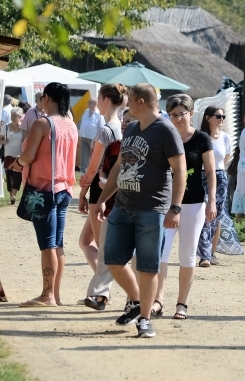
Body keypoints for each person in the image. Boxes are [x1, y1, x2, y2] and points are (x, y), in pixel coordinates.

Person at [93, 84, 186, 339]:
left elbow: (180, 171)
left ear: (141, 102)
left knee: (147, 268)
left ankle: (145, 320)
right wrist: (103, 199)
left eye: (129, 101)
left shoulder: (166, 130)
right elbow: (118, 168)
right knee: (112, 259)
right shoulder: (132, 128)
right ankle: (136, 300)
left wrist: (175, 209)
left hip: (152, 210)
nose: (126, 106)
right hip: (123, 206)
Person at [10, 83, 78, 307]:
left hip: (44, 188)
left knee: (47, 243)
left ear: (47, 98)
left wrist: (18, 164)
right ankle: (55, 295)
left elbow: (28, 156)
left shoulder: (43, 123)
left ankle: (47, 295)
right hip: (64, 188)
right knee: (57, 243)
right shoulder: (70, 124)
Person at [153, 94, 216, 320]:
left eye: (182, 113)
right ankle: (158, 300)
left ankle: (181, 303)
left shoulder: (201, 138)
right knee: (161, 253)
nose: (178, 118)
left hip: (194, 203)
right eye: (173, 114)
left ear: (191, 114)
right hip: (165, 203)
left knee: (187, 255)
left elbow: (210, 172)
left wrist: (212, 201)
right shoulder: (164, 136)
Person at [77, 84, 127, 280]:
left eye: (99, 97)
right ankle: (99, 288)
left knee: (100, 245)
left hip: (99, 190)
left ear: (106, 100)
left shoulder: (106, 130)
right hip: (113, 187)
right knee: (86, 241)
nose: (97, 101)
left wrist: (82, 193)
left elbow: (93, 168)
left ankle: (102, 291)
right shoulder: (122, 127)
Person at [197, 106, 232, 267]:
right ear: (208, 118)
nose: (221, 119)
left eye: (223, 116)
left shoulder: (225, 137)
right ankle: (204, 254)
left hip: (220, 177)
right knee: (204, 216)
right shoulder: (200, 137)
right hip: (202, 176)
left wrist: (219, 175)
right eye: (218, 116)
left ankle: (211, 252)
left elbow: (224, 161)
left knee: (216, 216)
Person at [0, 107, 24, 205]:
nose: (12, 117)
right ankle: (11, 196)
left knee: (17, 175)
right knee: (9, 176)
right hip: (8, 154)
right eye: (12, 115)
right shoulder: (5, 127)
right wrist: (3, 141)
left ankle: (14, 194)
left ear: (20, 117)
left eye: (15, 116)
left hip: (19, 155)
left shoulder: (23, 128)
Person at [78, 98, 103, 173]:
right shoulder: (86, 111)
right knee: (84, 156)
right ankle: (83, 172)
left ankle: (92, 172)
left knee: (93, 157)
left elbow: (101, 128)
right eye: (88, 102)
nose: (88, 104)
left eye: (90, 102)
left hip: (93, 139)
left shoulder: (99, 114)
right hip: (84, 136)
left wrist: (97, 140)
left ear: (95, 104)